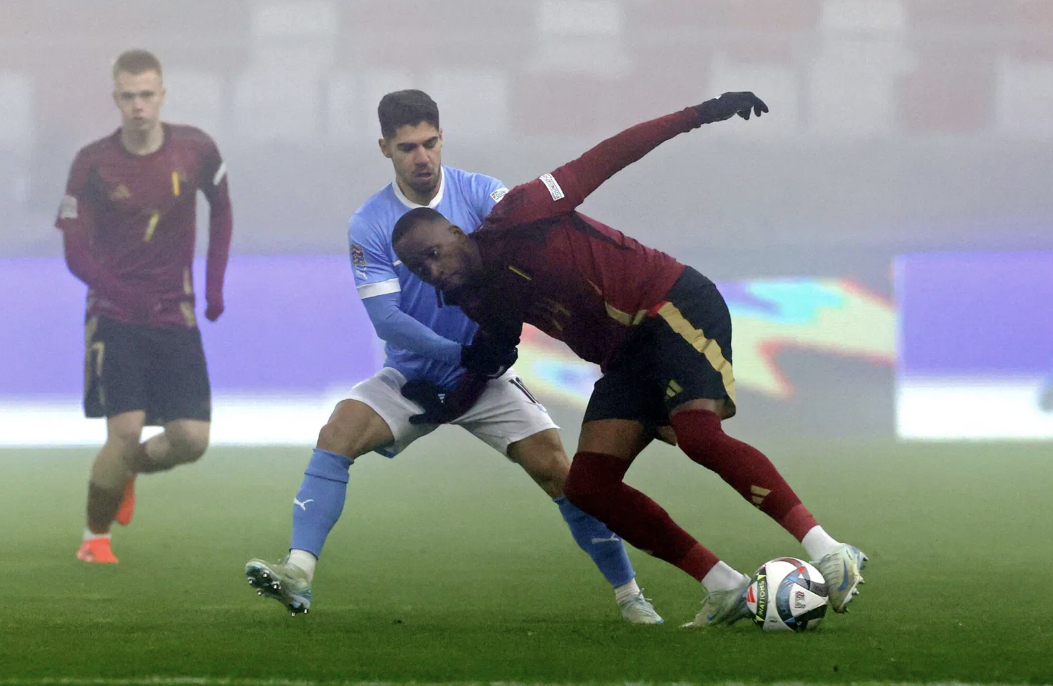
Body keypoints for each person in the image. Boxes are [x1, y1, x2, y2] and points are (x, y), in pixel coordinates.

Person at [390, 92, 868, 627]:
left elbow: (610, 155)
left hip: (669, 302)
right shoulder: (476, 296)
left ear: (457, 233)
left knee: (699, 436)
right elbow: (492, 355)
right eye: (418, 269)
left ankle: (831, 553)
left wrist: (701, 113)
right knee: (588, 486)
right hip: (626, 356)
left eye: (434, 253)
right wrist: (445, 405)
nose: (432, 271)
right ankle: (725, 586)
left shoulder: (520, 213)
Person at [244, 90, 661, 624]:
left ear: (442, 138)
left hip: (487, 377)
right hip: (414, 375)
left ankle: (630, 597)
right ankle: (298, 574)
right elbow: (387, 321)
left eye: (430, 143)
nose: (422, 158)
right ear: (384, 149)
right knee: (337, 434)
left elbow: (532, 259)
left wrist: (491, 353)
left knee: (561, 472)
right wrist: (460, 351)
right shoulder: (368, 225)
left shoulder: (483, 196)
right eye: (407, 147)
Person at [56, 49, 233, 564]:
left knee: (191, 439)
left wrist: (213, 286)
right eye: (128, 96)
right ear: (116, 98)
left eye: (146, 95)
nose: (138, 105)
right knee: (126, 428)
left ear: (161, 95)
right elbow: (74, 249)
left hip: (174, 313)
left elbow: (221, 210)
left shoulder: (196, 149)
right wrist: (114, 288)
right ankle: (95, 538)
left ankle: (125, 470)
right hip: (114, 314)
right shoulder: (92, 162)